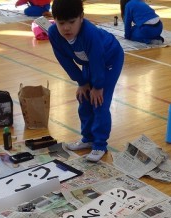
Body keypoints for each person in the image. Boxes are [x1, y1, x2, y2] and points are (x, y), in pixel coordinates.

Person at [48, 0, 124, 162]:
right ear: (54, 20)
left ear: (81, 17)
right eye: (61, 23)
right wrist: (81, 83)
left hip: (109, 60)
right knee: (84, 99)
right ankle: (88, 138)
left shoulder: (90, 34)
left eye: (71, 22)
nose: (66, 28)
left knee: (99, 103)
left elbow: (97, 59)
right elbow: (64, 60)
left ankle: (100, 144)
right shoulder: (53, 33)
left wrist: (98, 86)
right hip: (89, 63)